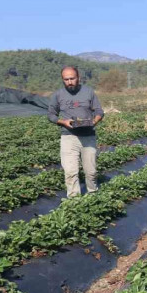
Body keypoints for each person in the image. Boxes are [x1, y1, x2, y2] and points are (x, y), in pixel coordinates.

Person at [47, 66, 104, 197]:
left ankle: (93, 195)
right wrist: (63, 122)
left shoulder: (88, 92)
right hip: (69, 137)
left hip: (88, 136)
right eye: (66, 79)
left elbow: (99, 111)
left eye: (72, 78)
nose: (69, 82)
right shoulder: (58, 95)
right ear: (63, 80)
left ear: (78, 78)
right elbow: (51, 115)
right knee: (70, 172)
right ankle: (74, 200)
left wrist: (95, 120)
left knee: (91, 172)